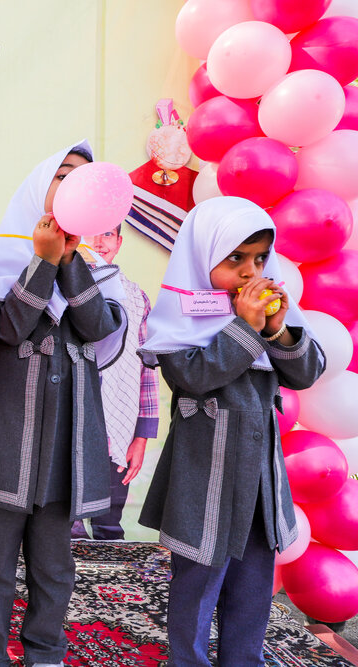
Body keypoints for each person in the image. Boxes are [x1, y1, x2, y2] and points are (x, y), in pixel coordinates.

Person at [0, 140, 127, 667]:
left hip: (64, 452)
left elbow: (98, 327)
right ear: (41, 186)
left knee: (54, 567)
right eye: (63, 176)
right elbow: (8, 327)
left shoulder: (97, 267)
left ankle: (46, 653)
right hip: (5, 443)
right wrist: (43, 261)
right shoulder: (3, 256)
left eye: (84, 179)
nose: (74, 188)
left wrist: (70, 262)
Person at [137, 196, 325, 666]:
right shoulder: (179, 319)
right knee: (197, 586)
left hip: (259, 482)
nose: (250, 271)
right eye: (235, 258)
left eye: (260, 258)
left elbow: (306, 372)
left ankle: (244, 659)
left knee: (252, 586)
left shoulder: (267, 315)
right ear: (202, 258)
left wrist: (280, 331)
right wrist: (245, 329)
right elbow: (192, 378)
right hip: (206, 478)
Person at [70, 225, 159, 540]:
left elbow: (146, 368)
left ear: (119, 242)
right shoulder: (59, 290)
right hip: (69, 424)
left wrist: (142, 435)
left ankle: (109, 583)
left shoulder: (136, 297)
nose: (97, 241)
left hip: (118, 425)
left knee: (109, 524)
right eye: (90, 231)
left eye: (107, 234)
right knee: (66, 524)